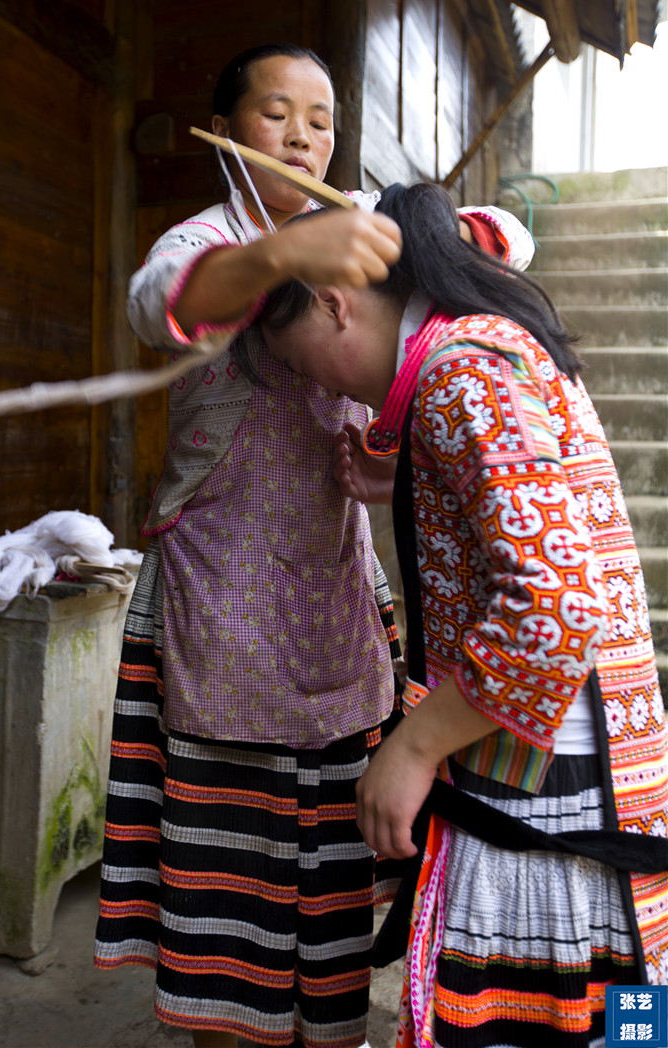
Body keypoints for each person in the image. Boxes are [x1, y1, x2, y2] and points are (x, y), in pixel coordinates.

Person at [94, 41, 534, 1048]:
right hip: (217, 604)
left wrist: (414, 231)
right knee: (226, 886)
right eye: (275, 114)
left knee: (334, 878)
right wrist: (280, 258)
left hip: (334, 593)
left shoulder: (360, 227)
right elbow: (157, 302)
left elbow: (509, 237)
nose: (302, 135)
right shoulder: (204, 239)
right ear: (226, 129)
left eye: (321, 118)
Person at [259, 180, 668, 1048]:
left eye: (300, 363)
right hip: (592, 770)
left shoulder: (461, 372)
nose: (319, 387)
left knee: (529, 1023)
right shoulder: (482, 348)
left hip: (546, 783)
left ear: (335, 306)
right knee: (631, 1013)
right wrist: (405, 479)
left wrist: (411, 748)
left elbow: (554, 606)